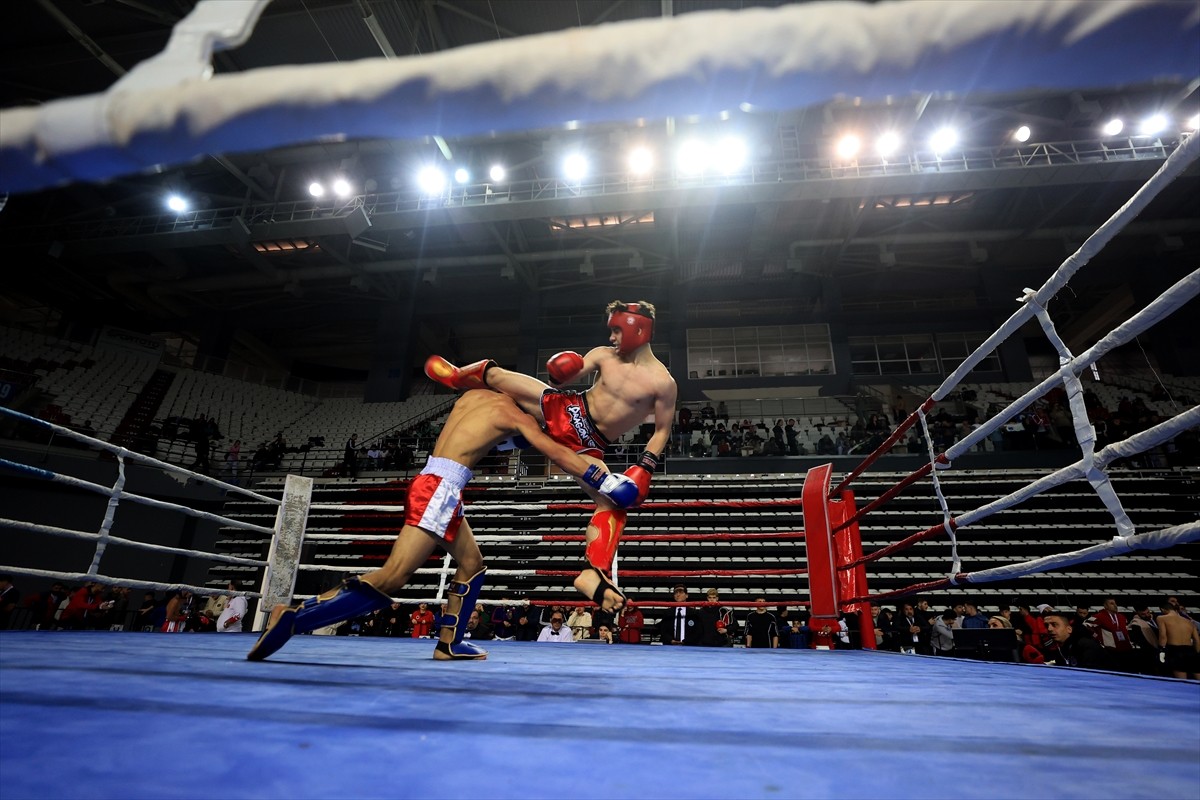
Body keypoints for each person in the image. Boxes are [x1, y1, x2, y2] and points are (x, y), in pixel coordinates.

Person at [247, 390, 641, 662]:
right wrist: (605, 480)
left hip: (437, 483)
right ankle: (296, 616)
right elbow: (556, 450)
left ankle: (449, 644)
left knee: (472, 565)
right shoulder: (515, 416)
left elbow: (483, 437)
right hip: (441, 489)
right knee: (393, 577)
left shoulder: (474, 399)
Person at [424, 300, 678, 611]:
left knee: (612, 503)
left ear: (637, 329)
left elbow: (662, 430)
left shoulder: (663, 383)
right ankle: (456, 375)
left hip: (588, 445)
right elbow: (567, 376)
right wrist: (562, 371)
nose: (611, 337)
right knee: (499, 377)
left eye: (615, 330)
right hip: (565, 408)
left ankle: (593, 572)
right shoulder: (603, 355)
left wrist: (645, 467)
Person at [1157, 605, 1200, 680]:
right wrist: (1196, 653)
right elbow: (1197, 640)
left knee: (1182, 681)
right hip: (1191, 651)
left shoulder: (1161, 618)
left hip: (1176, 651)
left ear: (1162, 609)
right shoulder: (1189, 621)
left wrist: (1161, 650)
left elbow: (1163, 636)